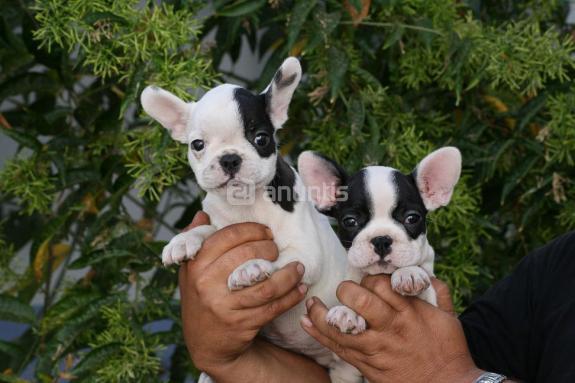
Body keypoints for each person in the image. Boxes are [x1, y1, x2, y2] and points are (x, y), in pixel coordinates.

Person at [179, 211, 575, 382]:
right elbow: (390, 372)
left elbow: (435, 373)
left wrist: (450, 378)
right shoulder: (559, 269)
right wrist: (229, 359)